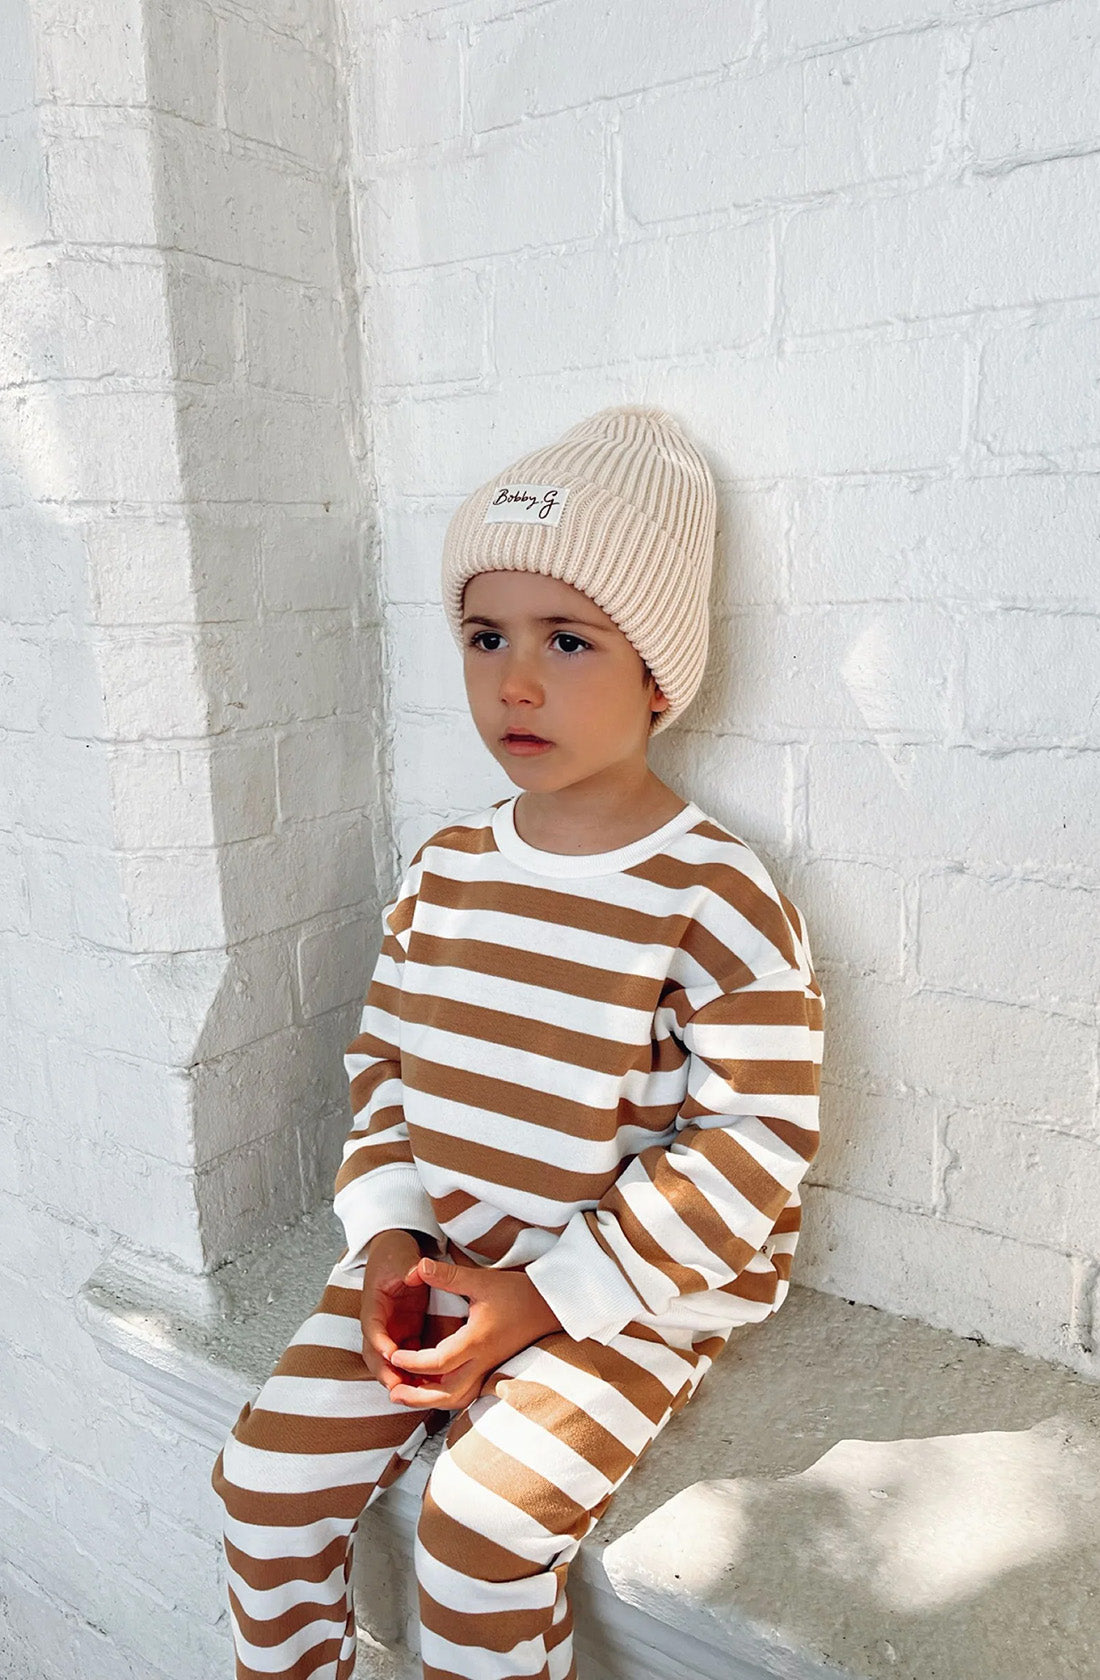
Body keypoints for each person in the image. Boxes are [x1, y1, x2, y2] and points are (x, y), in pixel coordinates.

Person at [210, 405, 825, 1680]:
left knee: (479, 1527)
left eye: (566, 640)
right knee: (262, 1487)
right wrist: (386, 1236)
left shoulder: (712, 895)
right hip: (432, 1252)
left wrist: (545, 1298)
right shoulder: (446, 869)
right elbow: (382, 1066)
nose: (514, 682)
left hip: (613, 1295)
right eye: (484, 637)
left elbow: (752, 1144)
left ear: (659, 673)